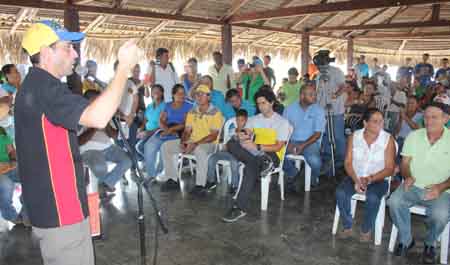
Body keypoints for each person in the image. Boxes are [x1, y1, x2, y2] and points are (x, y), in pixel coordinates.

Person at [15, 20, 139, 265]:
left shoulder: (38, 87)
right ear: (46, 52)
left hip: (58, 206)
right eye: (68, 47)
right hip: (60, 210)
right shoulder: (44, 87)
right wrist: (124, 68)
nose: (75, 54)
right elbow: (98, 116)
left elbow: (86, 114)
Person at [387, 102, 450, 264]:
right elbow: (405, 164)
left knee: (440, 215)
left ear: (446, 118)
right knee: (394, 202)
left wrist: (441, 187)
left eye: (434, 117)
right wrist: (407, 176)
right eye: (426, 117)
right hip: (413, 185)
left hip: (442, 190)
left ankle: (430, 243)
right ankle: (407, 239)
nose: (428, 121)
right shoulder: (414, 136)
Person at [222, 89, 290, 223]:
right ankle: (262, 161)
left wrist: (258, 147)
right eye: (258, 104)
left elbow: (278, 147)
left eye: (264, 103)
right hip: (256, 153)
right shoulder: (254, 119)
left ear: (272, 102)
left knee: (250, 167)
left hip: (273, 155)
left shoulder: (282, 122)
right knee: (231, 143)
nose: (261, 107)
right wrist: (242, 136)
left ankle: (239, 207)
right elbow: (247, 132)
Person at [336, 108, 396, 241]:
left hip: (378, 179)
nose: (380, 124)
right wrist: (357, 180)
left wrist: (369, 179)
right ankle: (347, 225)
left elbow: (390, 168)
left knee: (373, 197)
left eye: (381, 121)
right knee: (341, 193)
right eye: (375, 121)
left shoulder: (387, 139)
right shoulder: (354, 136)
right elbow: (348, 163)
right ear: (365, 123)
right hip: (355, 176)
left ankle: (366, 228)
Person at [160, 84, 223, 194]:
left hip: (209, 143)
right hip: (192, 141)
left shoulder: (216, 112)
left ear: (209, 97)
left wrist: (195, 144)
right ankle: (172, 179)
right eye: (197, 94)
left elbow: (213, 136)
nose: (199, 97)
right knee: (166, 146)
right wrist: (183, 142)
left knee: (200, 150)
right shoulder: (192, 111)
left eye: (202, 94)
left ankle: (200, 185)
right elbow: (187, 131)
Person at [79, 90, 132, 198]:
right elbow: (79, 141)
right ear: (87, 101)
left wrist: (125, 123)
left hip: (108, 147)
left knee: (127, 161)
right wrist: (94, 128)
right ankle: (104, 185)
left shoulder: (102, 113)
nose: (99, 102)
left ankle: (106, 184)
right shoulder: (80, 115)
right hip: (89, 150)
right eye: (96, 100)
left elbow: (114, 135)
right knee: (100, 167)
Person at [142, 84, 192, 184]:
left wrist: (170, 130)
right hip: (166, 130)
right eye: (179, 93)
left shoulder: (189, 106)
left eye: (183, 93)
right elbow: (161, 120)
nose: (182, 95)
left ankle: (157, 172)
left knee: (164, 147)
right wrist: (166, 129)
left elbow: (186, 124)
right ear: (173, 95)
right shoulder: (168, 105)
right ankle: (151, 175)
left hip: (179, 133)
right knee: (149, 145)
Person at [283, 83, 325, 191]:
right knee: (275, 152)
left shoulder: (319, 110)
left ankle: (313, 178)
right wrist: (289, 143)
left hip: (310, 142)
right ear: (302, 96)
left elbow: (317, 134)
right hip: (292, 141)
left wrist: (302, 145)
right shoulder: (289, 109)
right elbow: (283, 129)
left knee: (315, 161)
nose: (314, 97)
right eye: (311, 94)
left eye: (315, 94)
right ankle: (293, 173)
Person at [315, 51, 347, 171]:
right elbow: (318, 90)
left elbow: (343, 87)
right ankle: (328, 161)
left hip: (336, 110)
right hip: (322, 111)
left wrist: (335, 95)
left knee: (337, 136)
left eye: (321, 64)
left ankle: (341, 162)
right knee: (326, 136)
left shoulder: (336, 72)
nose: (320, 67)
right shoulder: (318, 75)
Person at [205, 109, 249, 194]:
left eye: (242, 120)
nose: (239, 123)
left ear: (246, 120)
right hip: (227, 152)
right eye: (237, 120)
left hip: (238, 154)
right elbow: (226, 144)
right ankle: (211, 181)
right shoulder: (232, 131)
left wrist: (236, 139)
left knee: (234, 162)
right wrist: (225, 146)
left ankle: (234, 185)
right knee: (212, 158)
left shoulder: (248, 131)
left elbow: (245, 146)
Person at [135, 84, 165, 161]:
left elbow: (164, 125)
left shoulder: (164, 106)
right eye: (154, 91)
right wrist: (141, 128)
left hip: (158, 132)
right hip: (148, 132)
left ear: (162, 93)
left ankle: (152, 160)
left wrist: (148, 132)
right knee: (134, 142)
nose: (156, 93)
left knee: (140, 146)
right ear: (151, 94)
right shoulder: (149, 106)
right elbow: (145, 119)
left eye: (158, 91)